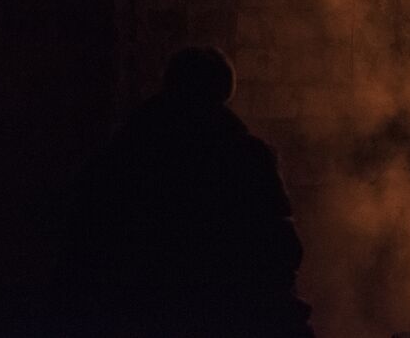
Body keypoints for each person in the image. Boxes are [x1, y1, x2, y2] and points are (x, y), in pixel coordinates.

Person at [62, 47, 313, 338]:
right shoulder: (244, 157)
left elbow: (83, 245)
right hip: (226, 315)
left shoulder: (123, 153)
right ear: (224, 92)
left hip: (138, 315)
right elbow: (280, 247)